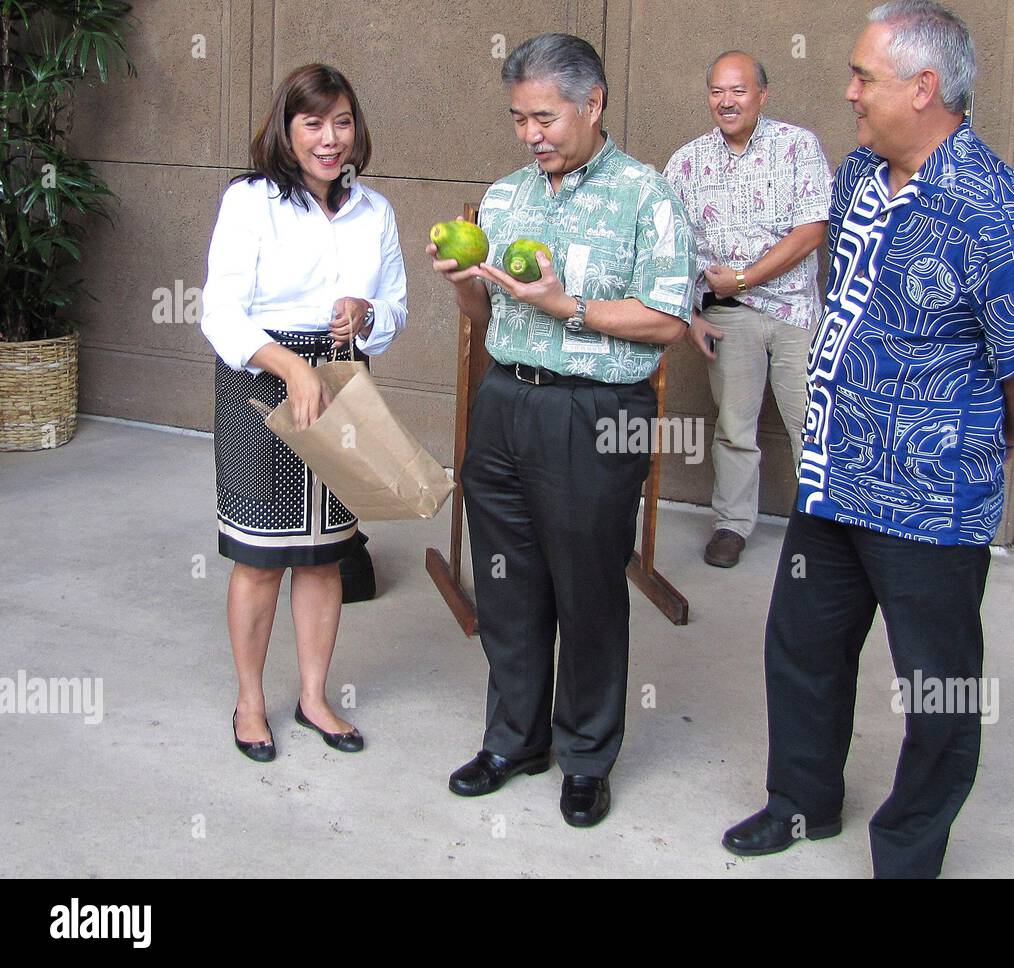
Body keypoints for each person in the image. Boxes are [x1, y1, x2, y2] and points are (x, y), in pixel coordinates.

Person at [721, 0, 1014, 876]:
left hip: (932, 503)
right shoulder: (857, 177)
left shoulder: (1000, 214)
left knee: (938, 692)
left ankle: (909, 853)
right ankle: (801, 804)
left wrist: (976, 444)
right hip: (833, 479)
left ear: (925, 88)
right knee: (802, 648)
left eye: (863, 78)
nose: (847, 93)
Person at [426, 34, 694, 827]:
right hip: (507, 402)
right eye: (518, 119)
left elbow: (668, 322)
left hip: (596, 413)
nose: (530, 134)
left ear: (593, 103)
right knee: (507, 587)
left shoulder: (649, 197)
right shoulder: (507, 197)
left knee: (587, 593)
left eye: (544, 116)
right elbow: (488, 318)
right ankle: (514, 739)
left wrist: (564, 305)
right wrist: (464, 289)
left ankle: (586, 754)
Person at [200, 64, 408, 762]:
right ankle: (251, 701)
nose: (330, 138)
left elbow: (396, 310)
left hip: (344, 381)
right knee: (261, 557)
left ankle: (315, 697)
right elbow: (221, 310)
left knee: (325, 556)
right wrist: (291, 367)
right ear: (287, 129)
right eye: (313, 122)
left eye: (342, 122)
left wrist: (366, 312)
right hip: (262, 380)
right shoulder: (251, 200)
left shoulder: (373, 210)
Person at [664, 52, 832, 568]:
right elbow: (669, 247)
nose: (726, 101)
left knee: (813, 423)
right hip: (727, 316)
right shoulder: (687, 161)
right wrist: (688, 314)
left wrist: (746, 276)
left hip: (794, 313)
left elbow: (812, 229)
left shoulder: (797, 147)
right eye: (717, 91)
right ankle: (731, 525)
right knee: (735, 428)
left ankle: (824, 532)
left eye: (738, 91)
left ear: (762, 95)